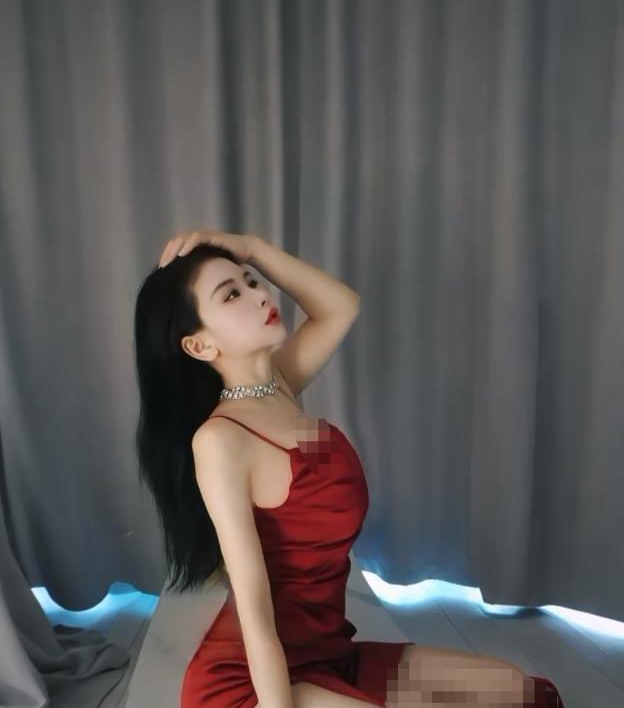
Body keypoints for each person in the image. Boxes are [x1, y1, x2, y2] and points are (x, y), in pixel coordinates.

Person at [134, 230, 565, 707]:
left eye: (251, 281)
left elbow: (341, 306)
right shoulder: (219, 441)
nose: (259, 295)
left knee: (516, 691)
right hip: (252, 681)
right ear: (200, 346)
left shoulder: (279, 386)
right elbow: (254, 608)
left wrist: (251, 248)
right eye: (231, 294)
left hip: (328, 653)